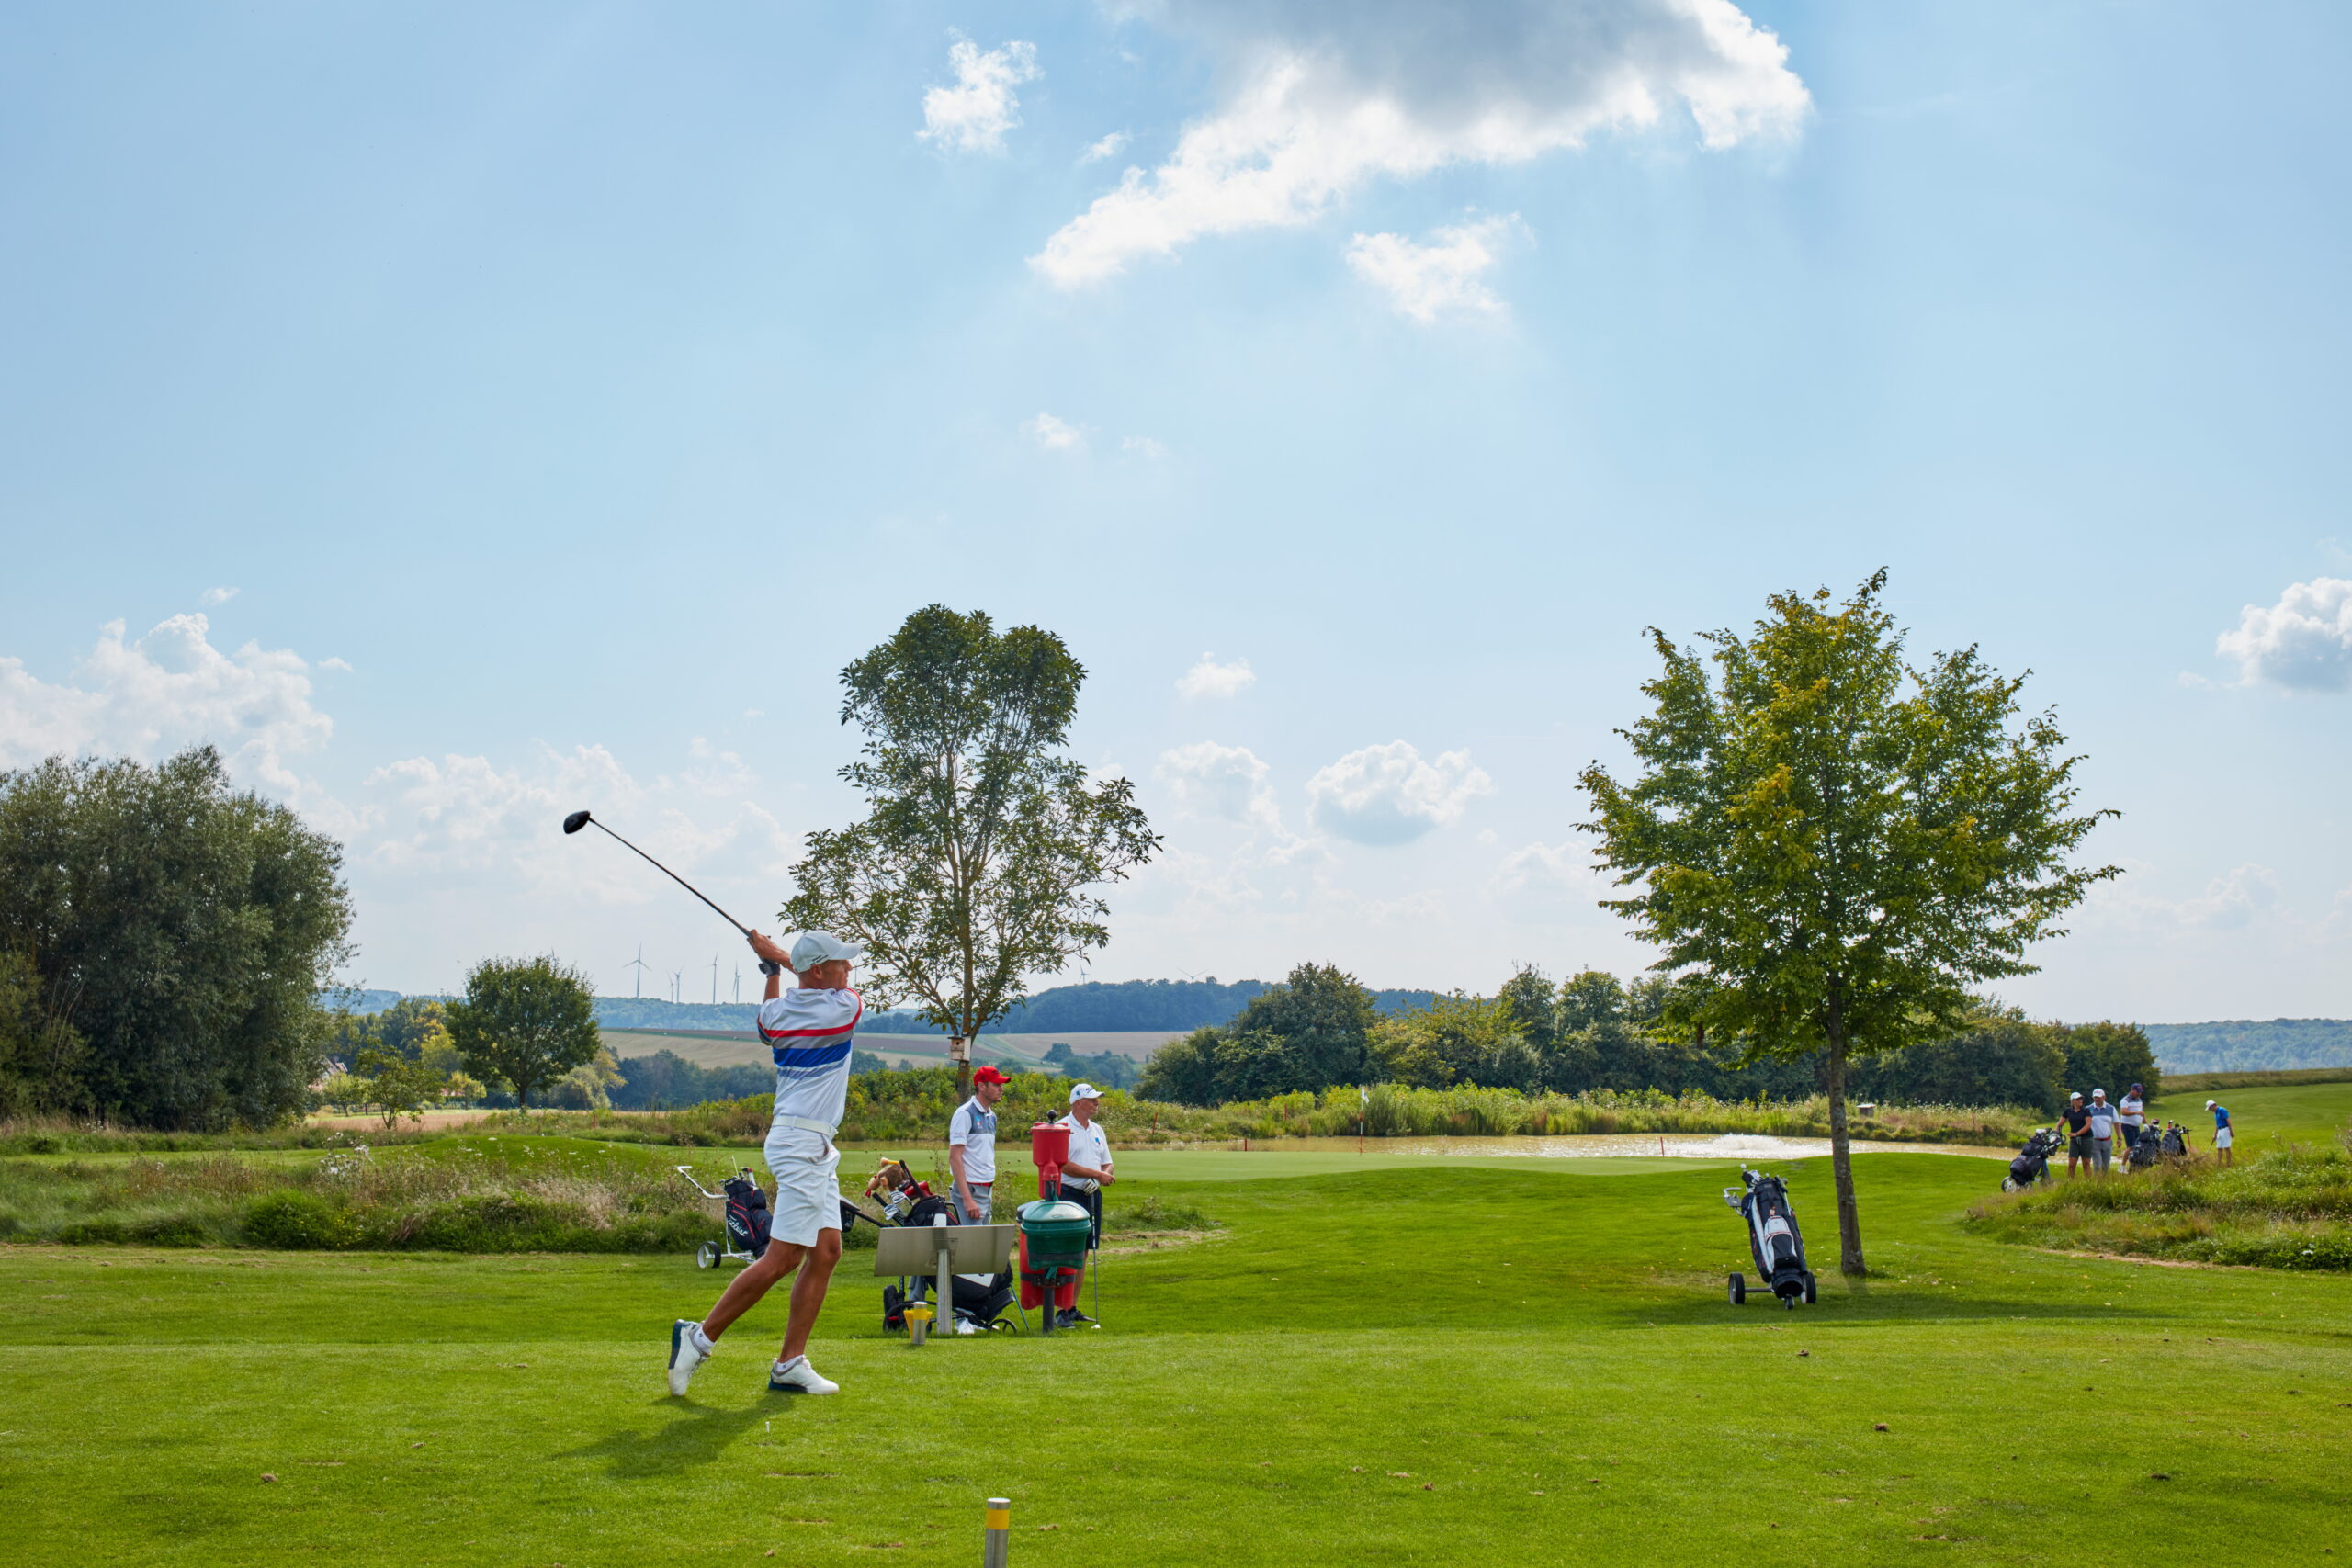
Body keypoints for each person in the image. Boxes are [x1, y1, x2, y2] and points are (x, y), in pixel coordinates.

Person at [666, 931, 864, 1399]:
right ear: (818, 970)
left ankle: (789, 1364)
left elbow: (765, 1020)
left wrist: (771, 970)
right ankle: (698, 1338)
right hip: (801, 1145)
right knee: (783, 1257)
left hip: (807, 1142)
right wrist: (776, 955)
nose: (849, 970)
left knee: (827, 1252)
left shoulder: (776, 1013)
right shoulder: (842, 1008)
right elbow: (820, 988)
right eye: (841, 963)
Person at [1053, 1082, 1116, 1328]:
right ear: (1077, 1102)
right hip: (1069, 1193)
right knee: (1068, 1253)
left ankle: (1071, 1307)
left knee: (1084, 1252)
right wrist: (1095, 1175)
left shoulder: (1097, 1129)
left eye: (1096, 1099)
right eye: (1091, 1099)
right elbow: (1063, 1164)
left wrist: (1103, 1176)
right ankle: (1060, 1310)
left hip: (1092, 1195)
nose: (1096, 1103)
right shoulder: (1062, 1128)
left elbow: (1107, 1163)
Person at [950, 1065, 1010, 1224]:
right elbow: (955, 1158)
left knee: (982, 1245)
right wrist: (967, 1199)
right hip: (970, 1190)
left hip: (985, 1189)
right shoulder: (965, 1114)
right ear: (982, 1086)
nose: (1001, 1089)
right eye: (996, 1085)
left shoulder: (992, 1116)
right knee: (972, 1246)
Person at [2085, 1089, 2119, 1177]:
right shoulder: (2088, 1109)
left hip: (2107, 1141)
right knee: (2097, 1164)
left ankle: (2104, 1184)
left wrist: (2119, 1138)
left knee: (2106, 1166)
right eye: (2095, 1097)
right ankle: (2097, 1183)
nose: (2097, 1099)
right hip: (2094, 1141)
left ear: (2104, 1097)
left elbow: (2116, 1124)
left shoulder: (2111, 1109)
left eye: (2099, 1097)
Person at [2058, 1091, 2092, 1178]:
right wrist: (2058, 1135)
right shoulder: (2068, 1111)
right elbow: (2059, 1124)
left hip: (2086, 1138)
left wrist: (2077, 1134)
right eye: (2077, 1099)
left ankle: (2088, 1183)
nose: (2080, 1100)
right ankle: (2070, 1183)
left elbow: (2088, 1125)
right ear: (2072, 1101)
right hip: (2074, 1140)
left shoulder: (2086, 1110)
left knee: (2086, 1163)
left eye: (2081, 1099)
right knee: (2072, 1164)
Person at [2118, 1083, 2147, 1158]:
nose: (2139, 1094)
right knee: (2131, 1147)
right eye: (2138, 1092)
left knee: (2137, 1146)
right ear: (2132, 1090)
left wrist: (2145, 1123)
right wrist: (2135, 1112)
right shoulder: (2125, 1100)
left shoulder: (2139, 1100)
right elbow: (2123, 1112)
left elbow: (2141, 1113)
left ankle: (2134, 1164)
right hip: (2127, 1126)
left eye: (2140, 1092)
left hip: (2136, 1126)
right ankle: (2122, 1166)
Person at [2207, 1099, 2234, 1167]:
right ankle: (2218, 1164)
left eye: (2210, 1108)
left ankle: (2228, 1164)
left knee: (2227, 1148)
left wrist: (2231, 1131)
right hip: (2220, 1130)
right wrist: (2215, 1134)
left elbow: (2228, 1120)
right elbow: (2217, 1124)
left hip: (2225, 1129)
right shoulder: (2215, 1113)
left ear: (2213, 1106)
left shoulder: (2222, 1110)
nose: (2210, 1110)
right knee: (2219, 1148)